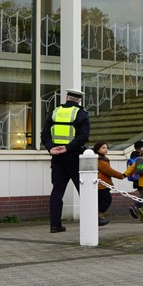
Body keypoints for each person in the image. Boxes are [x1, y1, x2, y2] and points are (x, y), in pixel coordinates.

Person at [40, 89, 90, 234]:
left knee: (57, 191)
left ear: (66, 98)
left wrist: (51, 148)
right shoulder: (81, 113)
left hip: (56, 156)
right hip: (73, 155)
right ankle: (94, 219)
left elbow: (44, 134)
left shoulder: (54, 112)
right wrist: (68, 148)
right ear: (79, 100)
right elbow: (83, 136)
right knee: (84, 188)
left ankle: (55, 225)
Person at [93, 141, 124, 226]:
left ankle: (98, 217)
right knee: (107, 200)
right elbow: (108, 170)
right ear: (97, 149)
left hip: (103, 184)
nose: (106, 149)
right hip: (101, 185)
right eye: (103, 148)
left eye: (106, 148)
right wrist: (122, 176)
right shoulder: (99, 159)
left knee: (100, 201)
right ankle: (99, 214)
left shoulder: (103, 158)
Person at [126, 139, 143, 219]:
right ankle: (135, 207)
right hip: (142, 179)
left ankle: (139, 210)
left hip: (135, 179)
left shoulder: (133, 155)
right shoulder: (142, 156)